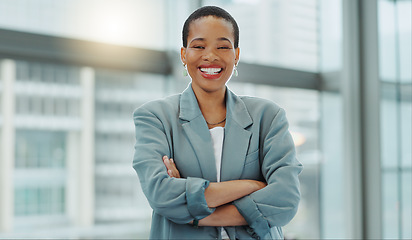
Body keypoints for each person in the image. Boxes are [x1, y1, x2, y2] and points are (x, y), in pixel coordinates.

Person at [132, 5, 302, 240]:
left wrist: (194, 214)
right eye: (199, 46)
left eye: (222, 47)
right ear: (184, 54)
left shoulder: (268, 117)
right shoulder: (155, 117)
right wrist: (252, 186)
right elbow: (160, 194)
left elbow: (285, 201)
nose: (210, 56)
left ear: (236, 55)